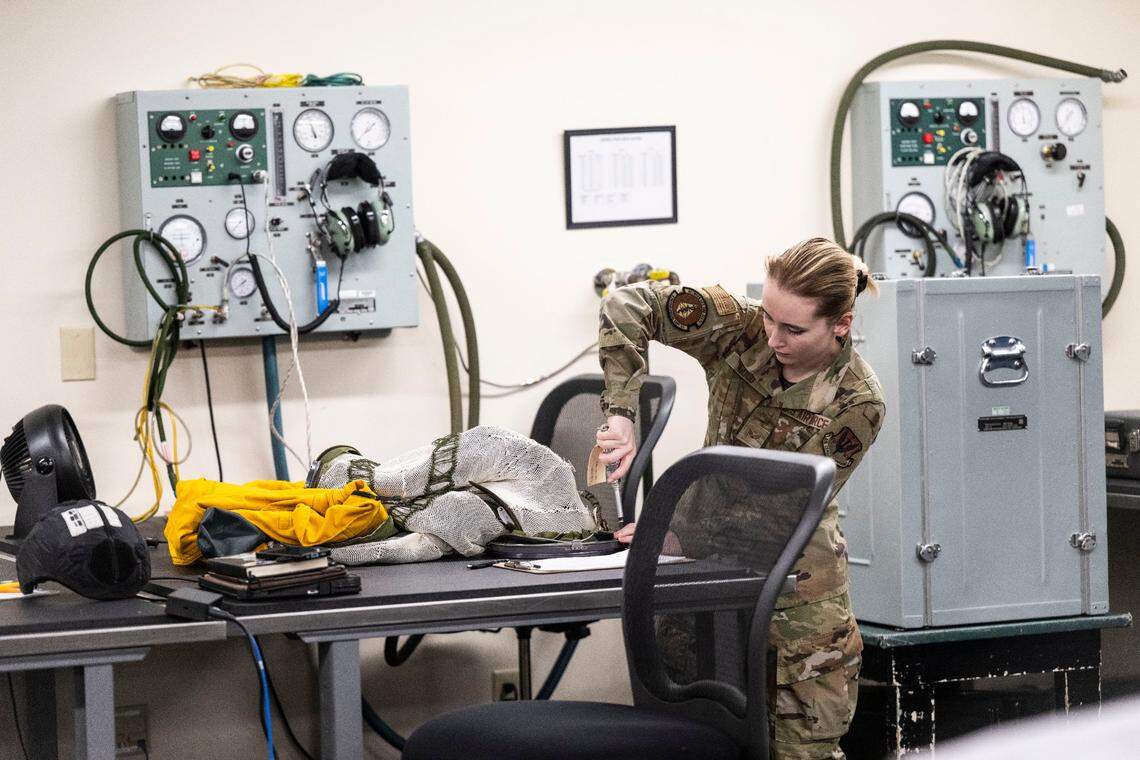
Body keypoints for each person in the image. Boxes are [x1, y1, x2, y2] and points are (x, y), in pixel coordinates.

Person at [595, 237, 885, 760]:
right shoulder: (742, 328)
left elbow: (779, 511)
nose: (772, 337)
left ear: (840, 324)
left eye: (793, 329)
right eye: (770, 317)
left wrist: (676, 526)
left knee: (801, 753)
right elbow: (626, 305)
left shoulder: (857, 403)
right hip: (708, 586)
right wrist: (621, 409)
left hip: (798, 606)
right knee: (692, 741)